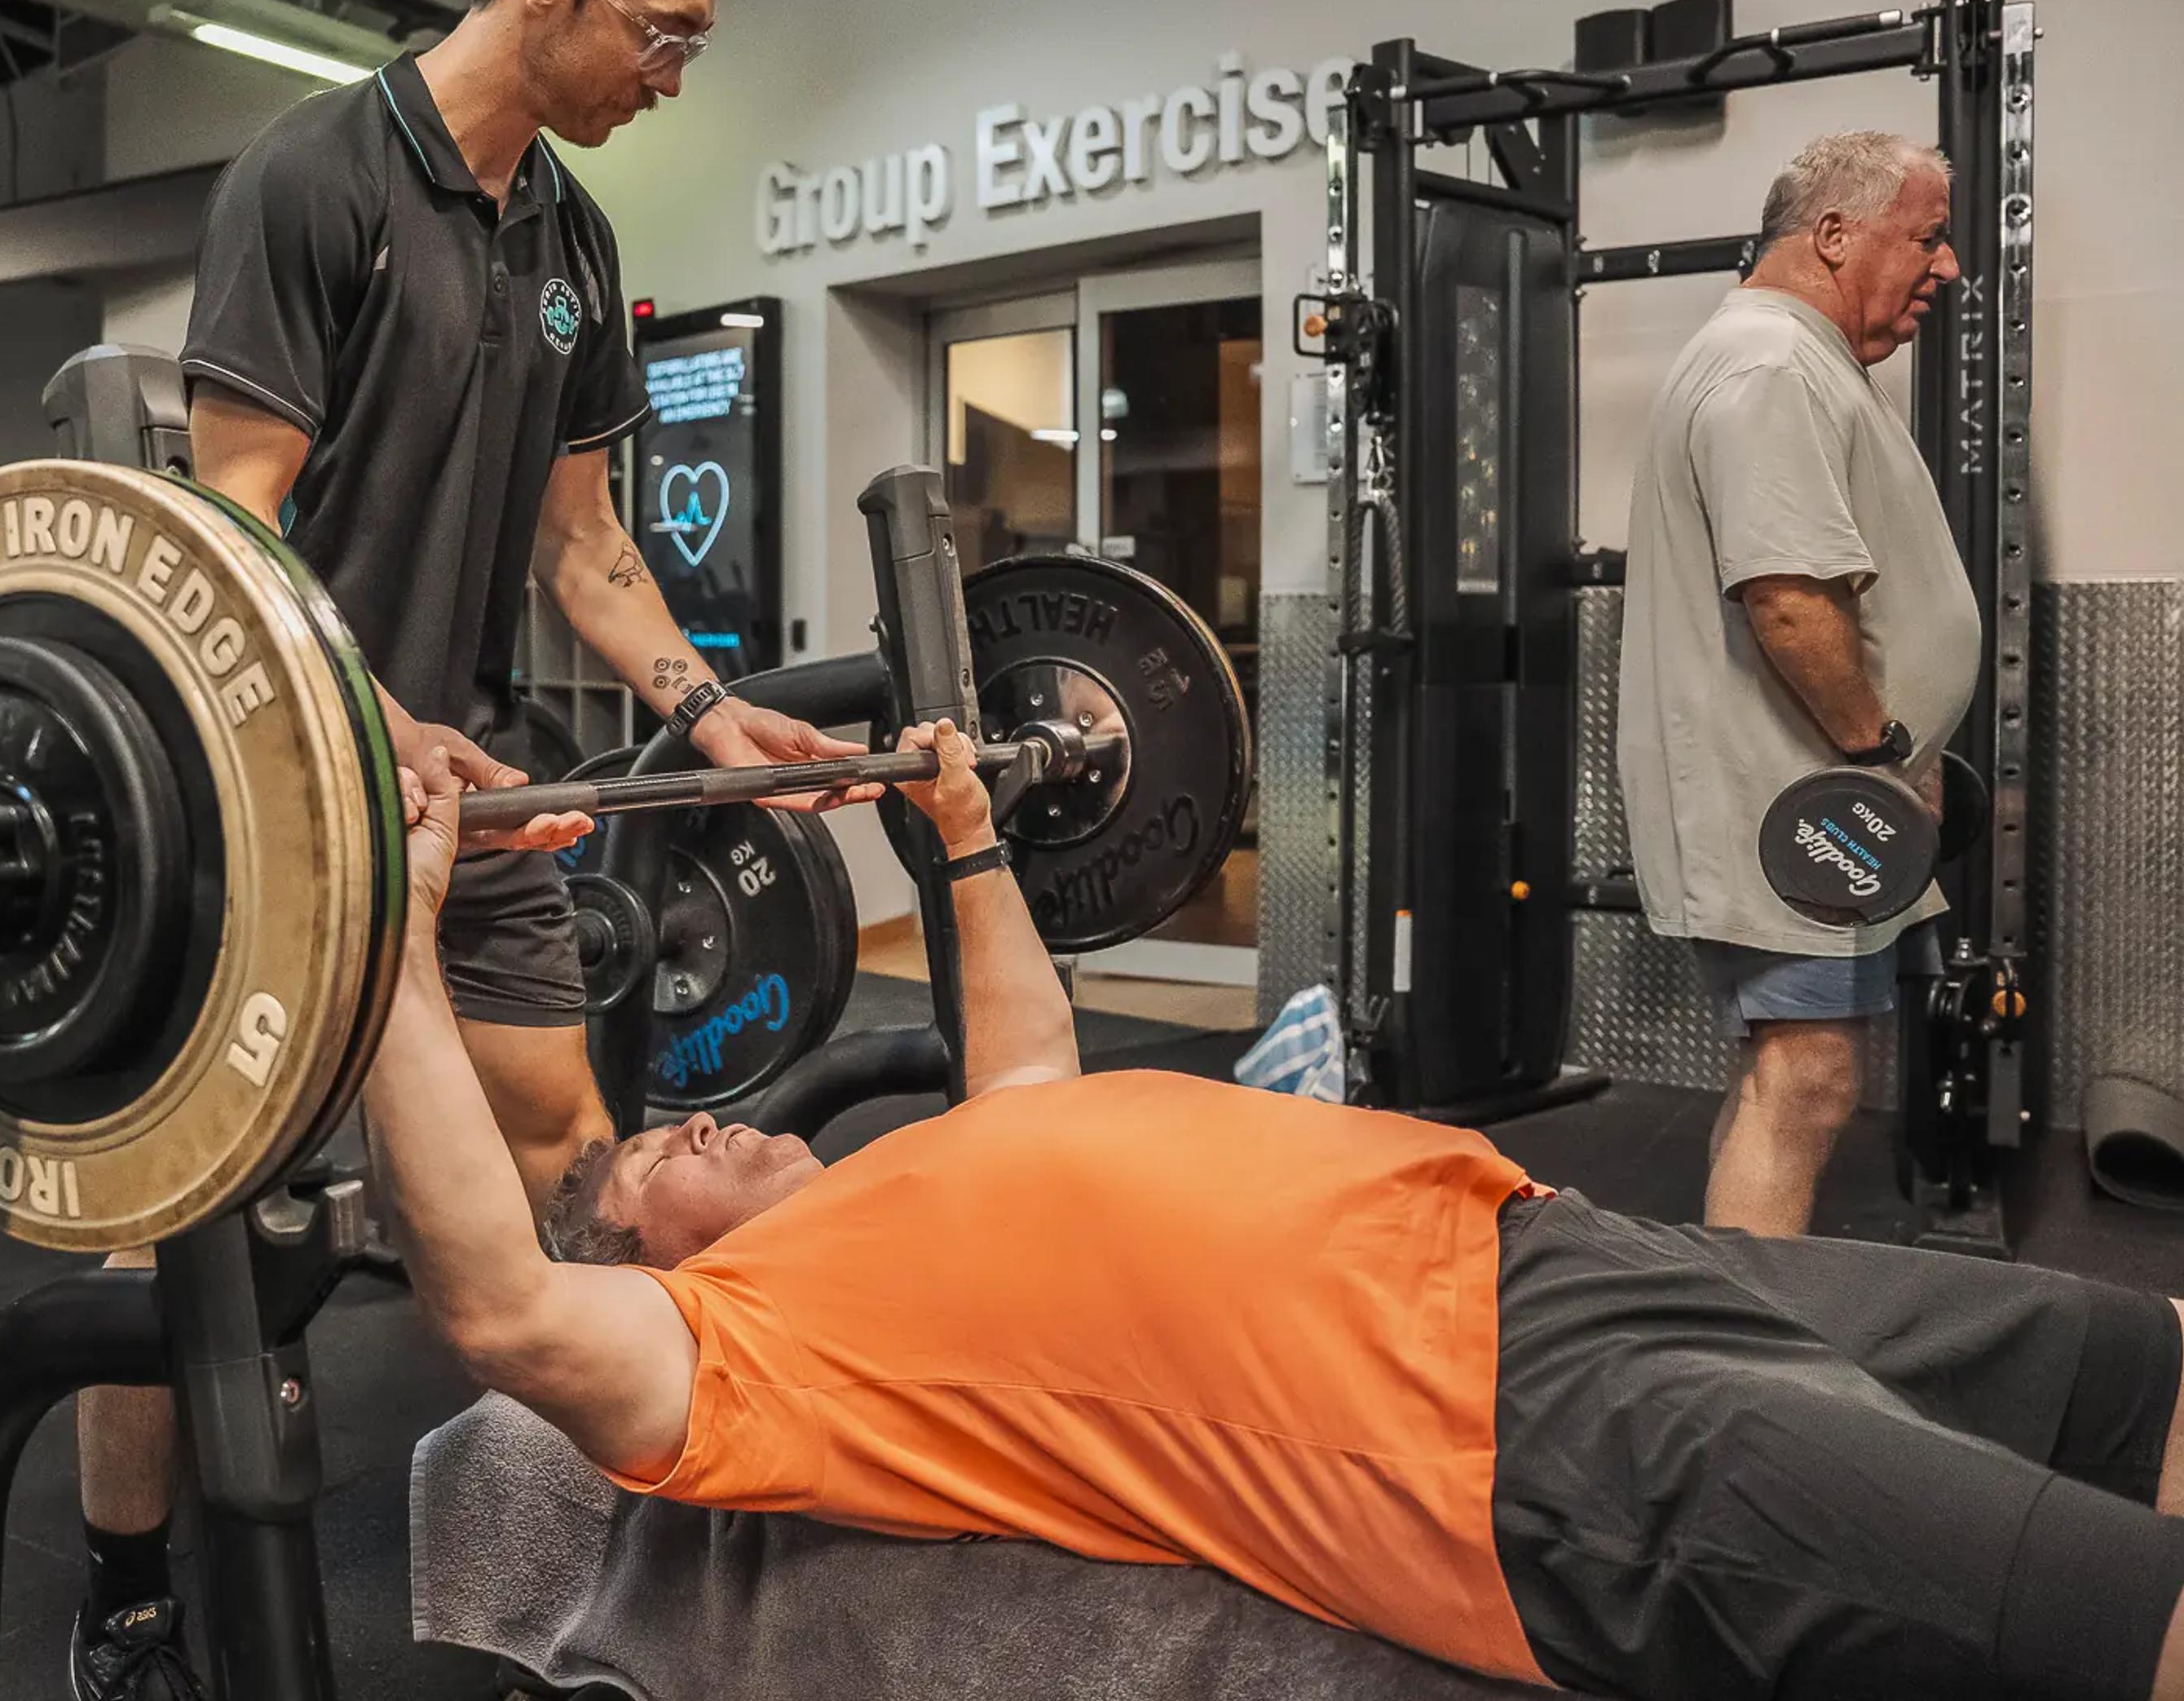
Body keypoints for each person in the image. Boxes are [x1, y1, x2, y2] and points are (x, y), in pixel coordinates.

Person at [367, 722, 2184, 1701]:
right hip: (1506, 1438)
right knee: (2107, 1606)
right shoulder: (759, 1351)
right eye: (659, 1151)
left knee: (2123, 1354)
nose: (700, 1112)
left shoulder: (927, 1168)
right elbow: (505, 1312)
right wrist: (391, 948)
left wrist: (966, 833)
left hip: (1560, 1242)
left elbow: (1024, 1061)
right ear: (660, 1265)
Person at [68, 0, 876, 1699]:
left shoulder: (574, 241)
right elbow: (234, 529)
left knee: (579, 1150)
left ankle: (612, 1533)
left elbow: (586, 547)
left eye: (691, 42)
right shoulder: (315, 179)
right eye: (659, 33)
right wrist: (362, 705)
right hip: (263, 784)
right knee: (178, 1235)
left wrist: (703, 703)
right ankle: (120, 1591)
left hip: (471, 784)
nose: (674, 75)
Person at [1616, 130, 1983, 1236]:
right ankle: (1741, 1369)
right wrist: (1878, 756)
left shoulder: (1804, 361)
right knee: (1809, 1075)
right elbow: (1788, 601)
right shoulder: (1770, 365)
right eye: (1928, 237)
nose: (1949, 267)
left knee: (1787, 1072)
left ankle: (1724, 1324)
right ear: (1833, 235)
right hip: (1805, 798)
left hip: (1818, 791)